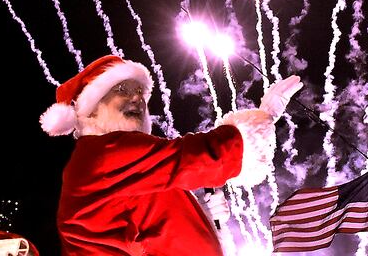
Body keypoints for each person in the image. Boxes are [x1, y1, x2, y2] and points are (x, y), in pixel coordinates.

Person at [38, 55, 302, 255]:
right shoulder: (103, 154)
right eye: (121, 90)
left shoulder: (124, 163)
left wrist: (209, 220)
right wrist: (264, 117)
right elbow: (198, 157)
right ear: (90, 110)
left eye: (140, 91)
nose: (136, 98)